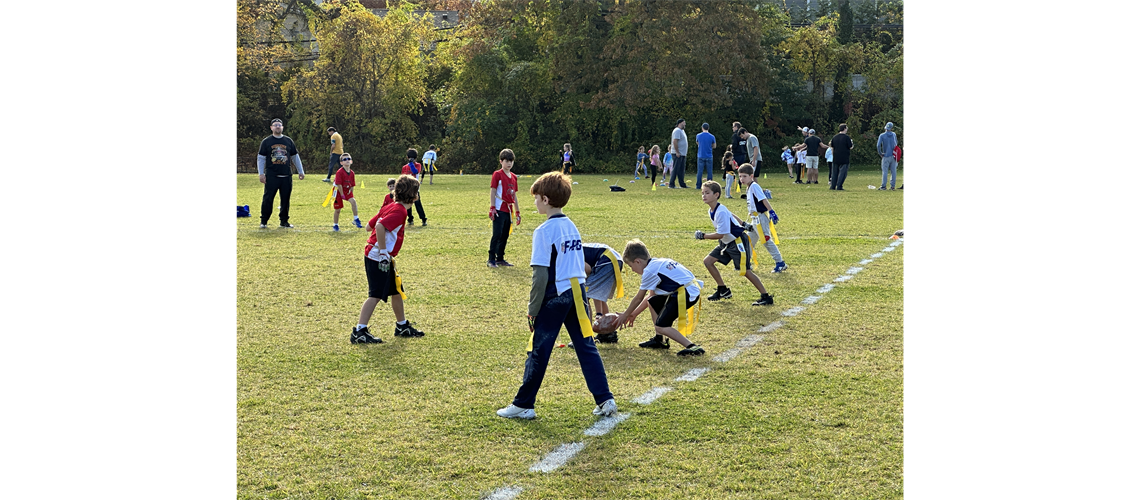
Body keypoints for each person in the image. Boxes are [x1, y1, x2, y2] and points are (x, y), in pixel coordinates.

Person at [496, 171, 617, 420]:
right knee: (586, 347)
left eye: (537, 197)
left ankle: (523, 404)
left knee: (538, 350)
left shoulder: (543, 231)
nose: (534, 202)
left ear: (547, 199)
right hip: (578, 292)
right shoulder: (571, 225)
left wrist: (533, 308)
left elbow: (540, 276)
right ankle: (606, 400)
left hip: (556, 295)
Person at [351, 174, 426, 344]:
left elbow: (368, 226)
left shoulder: (393, 206)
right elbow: (378, 226)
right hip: (378, 256)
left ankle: (401, 325)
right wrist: (384, 251)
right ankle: (359, 331)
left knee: (395, 290)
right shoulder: (399, 211)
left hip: (380, 255)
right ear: (412, 194)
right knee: (375, 294)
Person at [614, 238, 706, 356]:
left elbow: (638, 298)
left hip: (686, 293)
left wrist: (625, 315)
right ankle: (659, 340)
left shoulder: (649, 271)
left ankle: (693, 347)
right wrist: (634, 314)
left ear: (637, 261)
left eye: (631, 266)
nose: (632, 270)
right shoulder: (657, 263)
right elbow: (649, 297)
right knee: (652, 301)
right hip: (688, 289)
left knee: (661, 326)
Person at [697, 180, 775, 306]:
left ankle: (766, 296)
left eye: (707, 193)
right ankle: (723, 289)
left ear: (716, 195)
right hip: (726, 243)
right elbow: (731, 214)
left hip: (737, 243)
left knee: (745, 271)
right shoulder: (715, 209)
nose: (704, 195)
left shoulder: (720, 211)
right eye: (702, 193)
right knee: (708, 261)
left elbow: (721, 234)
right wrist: (743, 223)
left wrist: (703, 236)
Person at [738, 164, 788, 273]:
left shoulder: (754, 186)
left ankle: (780, 262)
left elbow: (763, 199)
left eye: (744, 176)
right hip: (755, 219)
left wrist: (771, 211)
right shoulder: (748, 187)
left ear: (751, 176)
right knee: (749, 240)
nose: (741, 179)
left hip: (760, 218)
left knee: (766, 240)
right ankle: (747, 263)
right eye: (740, 176)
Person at [257, 118, 305, 228]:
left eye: (279, 125)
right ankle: (264, 221)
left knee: (285, 199)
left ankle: (284, 221)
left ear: (282, 127)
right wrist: (261, 173)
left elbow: (295, 157)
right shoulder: (266, 141)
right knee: (268, 198)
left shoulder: (288, 141)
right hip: (271, 176)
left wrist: (300, 171)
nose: (277, 126)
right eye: (275, 125)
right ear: (271, 128)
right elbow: (261, 158)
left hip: (286, 175)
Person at [583, 242, 624, 344]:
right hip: (614, 259)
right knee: (596, 293)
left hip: (606, 261)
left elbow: (587, 268)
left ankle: (586, 337)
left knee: (584, 297)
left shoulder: (568, 255)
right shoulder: (574, 248)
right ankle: (608, 334)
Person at [488, 148, 521, 268]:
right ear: (501, 161)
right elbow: (493, 190)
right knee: (497, 234)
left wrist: (517, 211)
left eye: (511, 161)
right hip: (499, 208)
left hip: (508, 209)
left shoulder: (513, 177)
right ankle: (491, 259)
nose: (509, 163)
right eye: (506, 161)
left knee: (505, 235)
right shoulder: (497, 174)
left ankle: (500, 258)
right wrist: (492, 207)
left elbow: (514, 195)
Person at [332, 153, 363, 232]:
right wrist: (342, 195)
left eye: (348, 159)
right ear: (341, 163)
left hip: (346, 190)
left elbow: (352, 184)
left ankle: (356, 219)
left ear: (351, 161)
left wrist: (351, 193)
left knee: (353, 202)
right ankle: (335, 224)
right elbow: (339, 184)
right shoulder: (339, 172)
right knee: (338, 209)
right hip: (338, 190)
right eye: (345, 159)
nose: (347, 160)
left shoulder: (352, 173)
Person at [401, 149, 428, 226]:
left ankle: (423, 219)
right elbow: (402, 177)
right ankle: (410, 219)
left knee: (417, 203)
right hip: (407, 188)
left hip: (415, 188)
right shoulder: (405, 167)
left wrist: (411, 164)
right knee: (407, 204)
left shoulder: (418, 165)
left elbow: (415, 171)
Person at [828, 123, 853, 190]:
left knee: (834, 173)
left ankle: (832, 186)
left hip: (836, 157)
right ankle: (839, 186)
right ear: (844, 129)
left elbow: (832, 148)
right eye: (846, 128)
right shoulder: (846, 137)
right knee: (842, 173)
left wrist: (833, 156)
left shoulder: (834, 137)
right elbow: (850, 147)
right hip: (844, 157)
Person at [877, 122, 899, 190]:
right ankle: (892, 186)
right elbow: (896, 143)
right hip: (893, 155)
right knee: (893, 171)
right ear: (891, 128)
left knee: (885, 171)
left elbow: (878, 145)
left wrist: (880, 153)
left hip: (886, 155)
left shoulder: (882, 135)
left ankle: (883, 186)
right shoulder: (893, 134)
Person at [669, 119, 689, 188]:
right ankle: (671, 184)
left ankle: (682, 184)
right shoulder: (677, 130)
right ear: (680, 123)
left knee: (681, 170)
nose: (685, 124)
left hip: (682, 153)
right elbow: (675, 141)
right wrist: (677, 152)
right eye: (684, 123)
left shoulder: (682, 131)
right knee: (676, 169)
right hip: (677, 153)